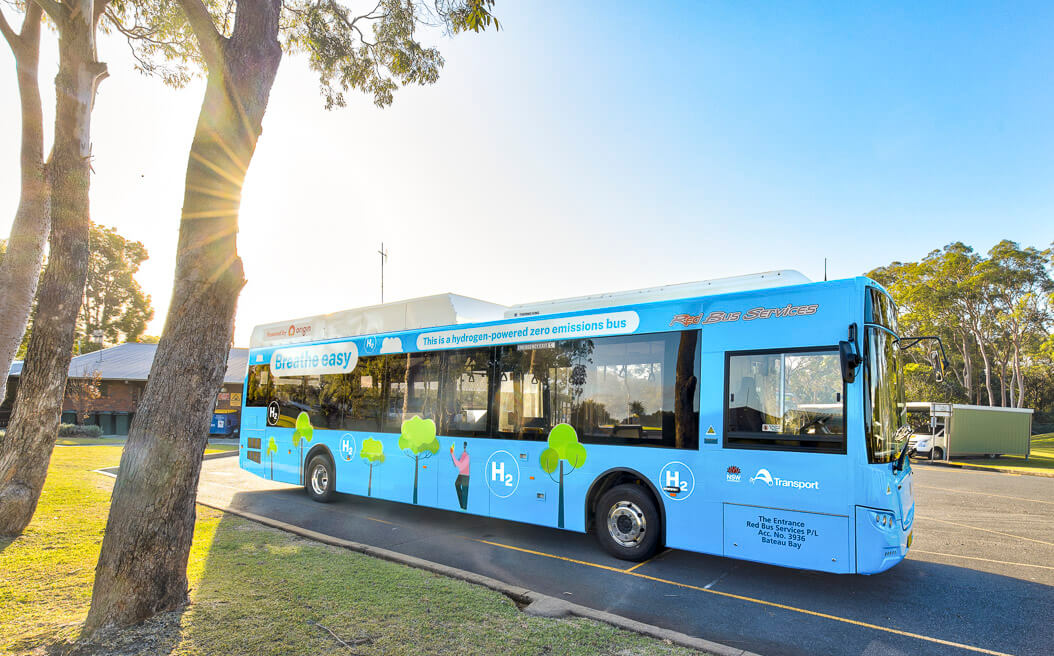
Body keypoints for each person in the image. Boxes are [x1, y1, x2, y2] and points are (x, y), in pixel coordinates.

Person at [450, 441, 470, 510]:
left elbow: (460, 466)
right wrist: (452, 455)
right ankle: (462, 505)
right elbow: (456, 464)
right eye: (464, 446)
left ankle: (464, 507)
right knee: (457, 484)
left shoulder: (467, 456)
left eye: (465, 446)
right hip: (461, 474)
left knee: (465, 491)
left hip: (465, 475)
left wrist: (452, 454)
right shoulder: (463, 455)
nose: (464, 448)